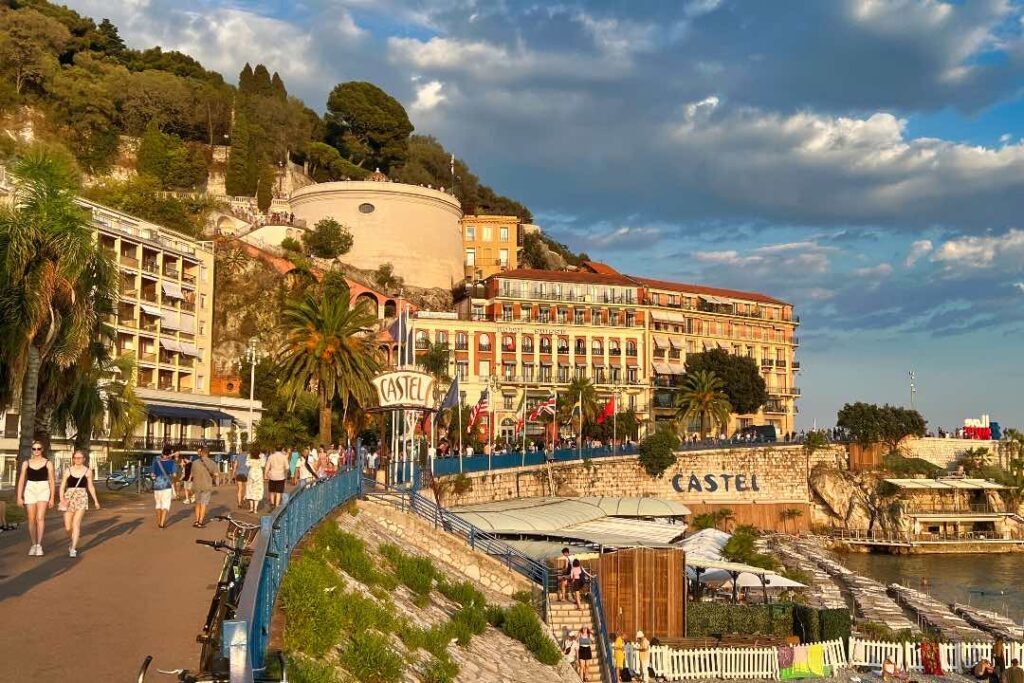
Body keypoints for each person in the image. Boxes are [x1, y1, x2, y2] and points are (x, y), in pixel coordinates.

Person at [59, 450, 101, 557]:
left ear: (84, 459)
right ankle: (73, 538)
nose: (77, 460)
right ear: (73, 459)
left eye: (79, 458)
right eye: (75, 458)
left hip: (82, 497)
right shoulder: (68, 470)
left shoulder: (88, 471)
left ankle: (73, 548)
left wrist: (95, 501)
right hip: (69, 497)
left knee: (76, 523)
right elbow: (62, 486)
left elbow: (90, 486)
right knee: (68, 527)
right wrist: (62, 498)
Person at [17, 441, 55, 556]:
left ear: (42, 450)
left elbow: (52, 481)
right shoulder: (26, 463)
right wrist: (19, 496)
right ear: (31, 450)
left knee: (40, 518)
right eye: (34, 449)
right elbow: (21, 480)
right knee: (31, 518)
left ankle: (39, 545)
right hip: (30, 488)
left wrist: (52, 497)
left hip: (43, 488)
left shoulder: (48, 463)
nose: (36, 451)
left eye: (39, 449)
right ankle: (33, 544)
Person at [190, 447, 219, 528]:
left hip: (197, 485)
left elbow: (192, 474)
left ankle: (196, 520)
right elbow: (216, 475)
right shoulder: (212, 463)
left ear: (201, 453)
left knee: (197, 504)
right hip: (207, 486)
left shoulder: (195, 462)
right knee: (204, 504)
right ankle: (200, 522)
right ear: (208, 453)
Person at [151, 446, 179, 529]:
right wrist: (175, 460)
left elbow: (153, 475)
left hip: (157, 486)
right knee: (165, 505)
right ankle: (162, 523)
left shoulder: (155, 461)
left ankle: (159, 521)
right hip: (166, 486)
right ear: (170, 453)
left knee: (158, 504)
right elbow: (174, 475)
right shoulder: (172, 463)